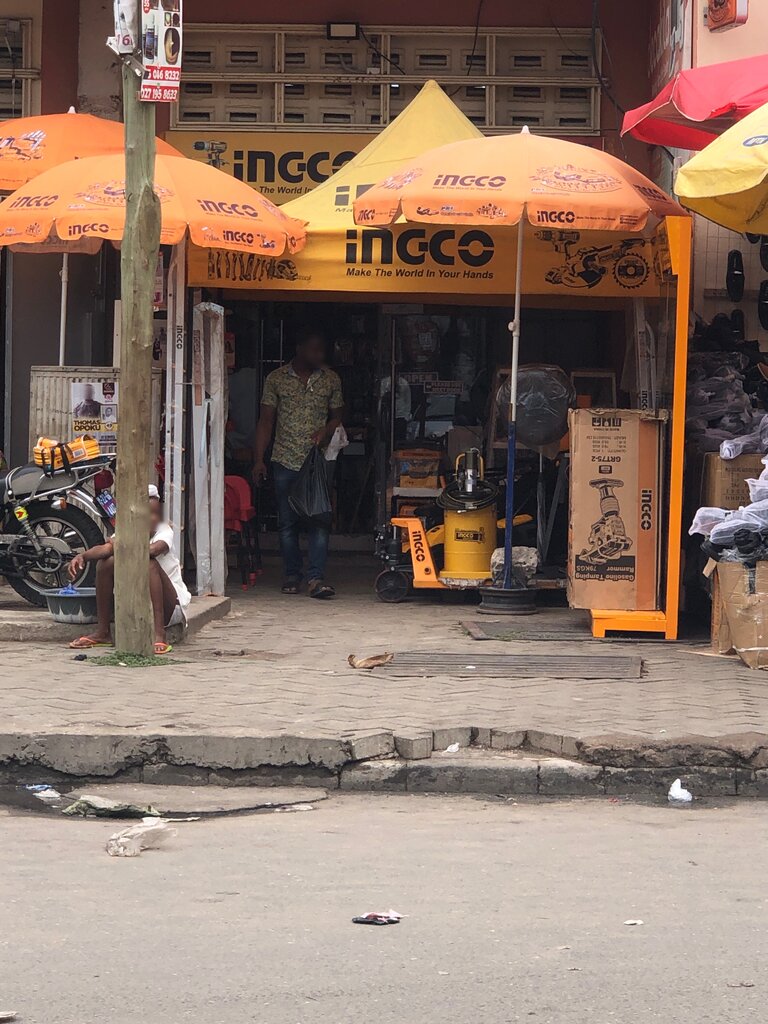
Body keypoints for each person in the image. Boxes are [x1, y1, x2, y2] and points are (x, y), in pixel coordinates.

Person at [253, 329, 343, 598]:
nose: (319, 355)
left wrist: (326, 430)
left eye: (322, 350)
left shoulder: (330, 379)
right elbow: (266, 421)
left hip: (318, 463)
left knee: (319, 520)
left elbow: (338, 417)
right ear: (299, 348)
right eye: (314, 349)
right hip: (285, 459)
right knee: (287, 523)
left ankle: (316, 578)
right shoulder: (276, 379)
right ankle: (292, 574)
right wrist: (259, 460)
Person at [67, 488, 191, 654]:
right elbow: (106, 549)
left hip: (170, 607)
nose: (154, 518)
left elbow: (153, 550)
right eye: (149, 514)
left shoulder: (164, 530)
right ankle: (103, 632)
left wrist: (120, 545)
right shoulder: (126, 532)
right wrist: (83, 556)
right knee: (105, 563)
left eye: (157, 514)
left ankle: (159, 634)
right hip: (140, 604)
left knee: (148, 562)